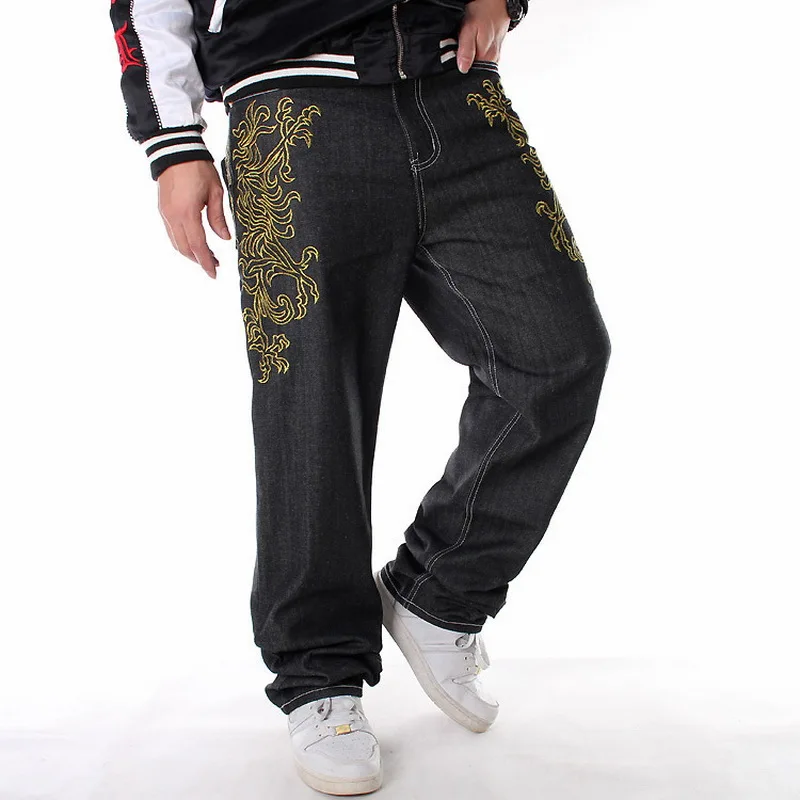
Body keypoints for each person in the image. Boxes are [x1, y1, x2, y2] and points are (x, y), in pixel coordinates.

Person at [109, 0, 611, 794]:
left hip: (458, 95)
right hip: (293, 112)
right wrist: (173, 141)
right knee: (311, 403)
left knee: (559, 354)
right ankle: (319, 675)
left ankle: (437, 592)